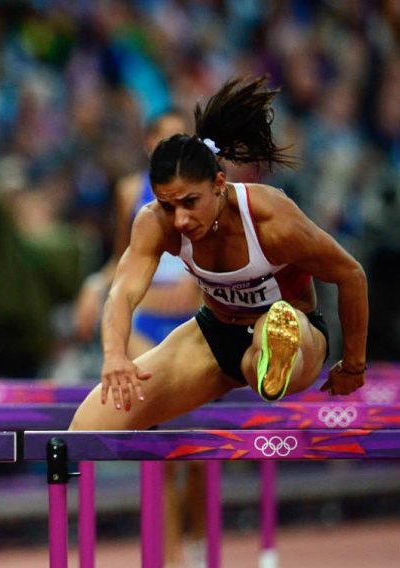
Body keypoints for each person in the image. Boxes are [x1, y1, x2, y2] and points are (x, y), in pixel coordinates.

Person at [70, 75, 368, 434]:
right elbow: (123, 290)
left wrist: (353, 364)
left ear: (219, 185)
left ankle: (271, 349)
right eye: (167, 204)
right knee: (89, 425)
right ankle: (256, 358)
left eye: (190, 203)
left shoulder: (272, 219)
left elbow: (350, 274)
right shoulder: (154, 220)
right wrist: (115, 356)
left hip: (299, 334)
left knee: (270, 344)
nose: (179, 218)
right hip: (214, 333)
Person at [74, 111, 207, 567]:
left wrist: (203, 289)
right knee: (162, 446)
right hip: (145, 327)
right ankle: (170, 557)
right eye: (163, 138)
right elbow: (121, 260)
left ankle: (197, 541)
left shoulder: (205, 194)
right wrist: (95, 285)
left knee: (197, 453)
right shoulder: (131, 193)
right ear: (149, 143)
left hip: (192, 325)